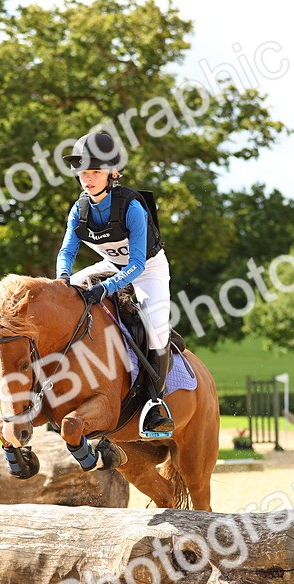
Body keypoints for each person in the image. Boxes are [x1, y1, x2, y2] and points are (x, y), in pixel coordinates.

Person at [55, 130, 175, 437]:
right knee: (62, 301)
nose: (88, 177)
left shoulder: (132, 206)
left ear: (113, 173)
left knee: (157, 328)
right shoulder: (79, 209)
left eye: (95, 171)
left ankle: (154, 405)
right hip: (111, 265)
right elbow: (67, 251)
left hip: (148, 269)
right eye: (84, 171)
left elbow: (136, 264)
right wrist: (63, 280)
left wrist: (104, 289)